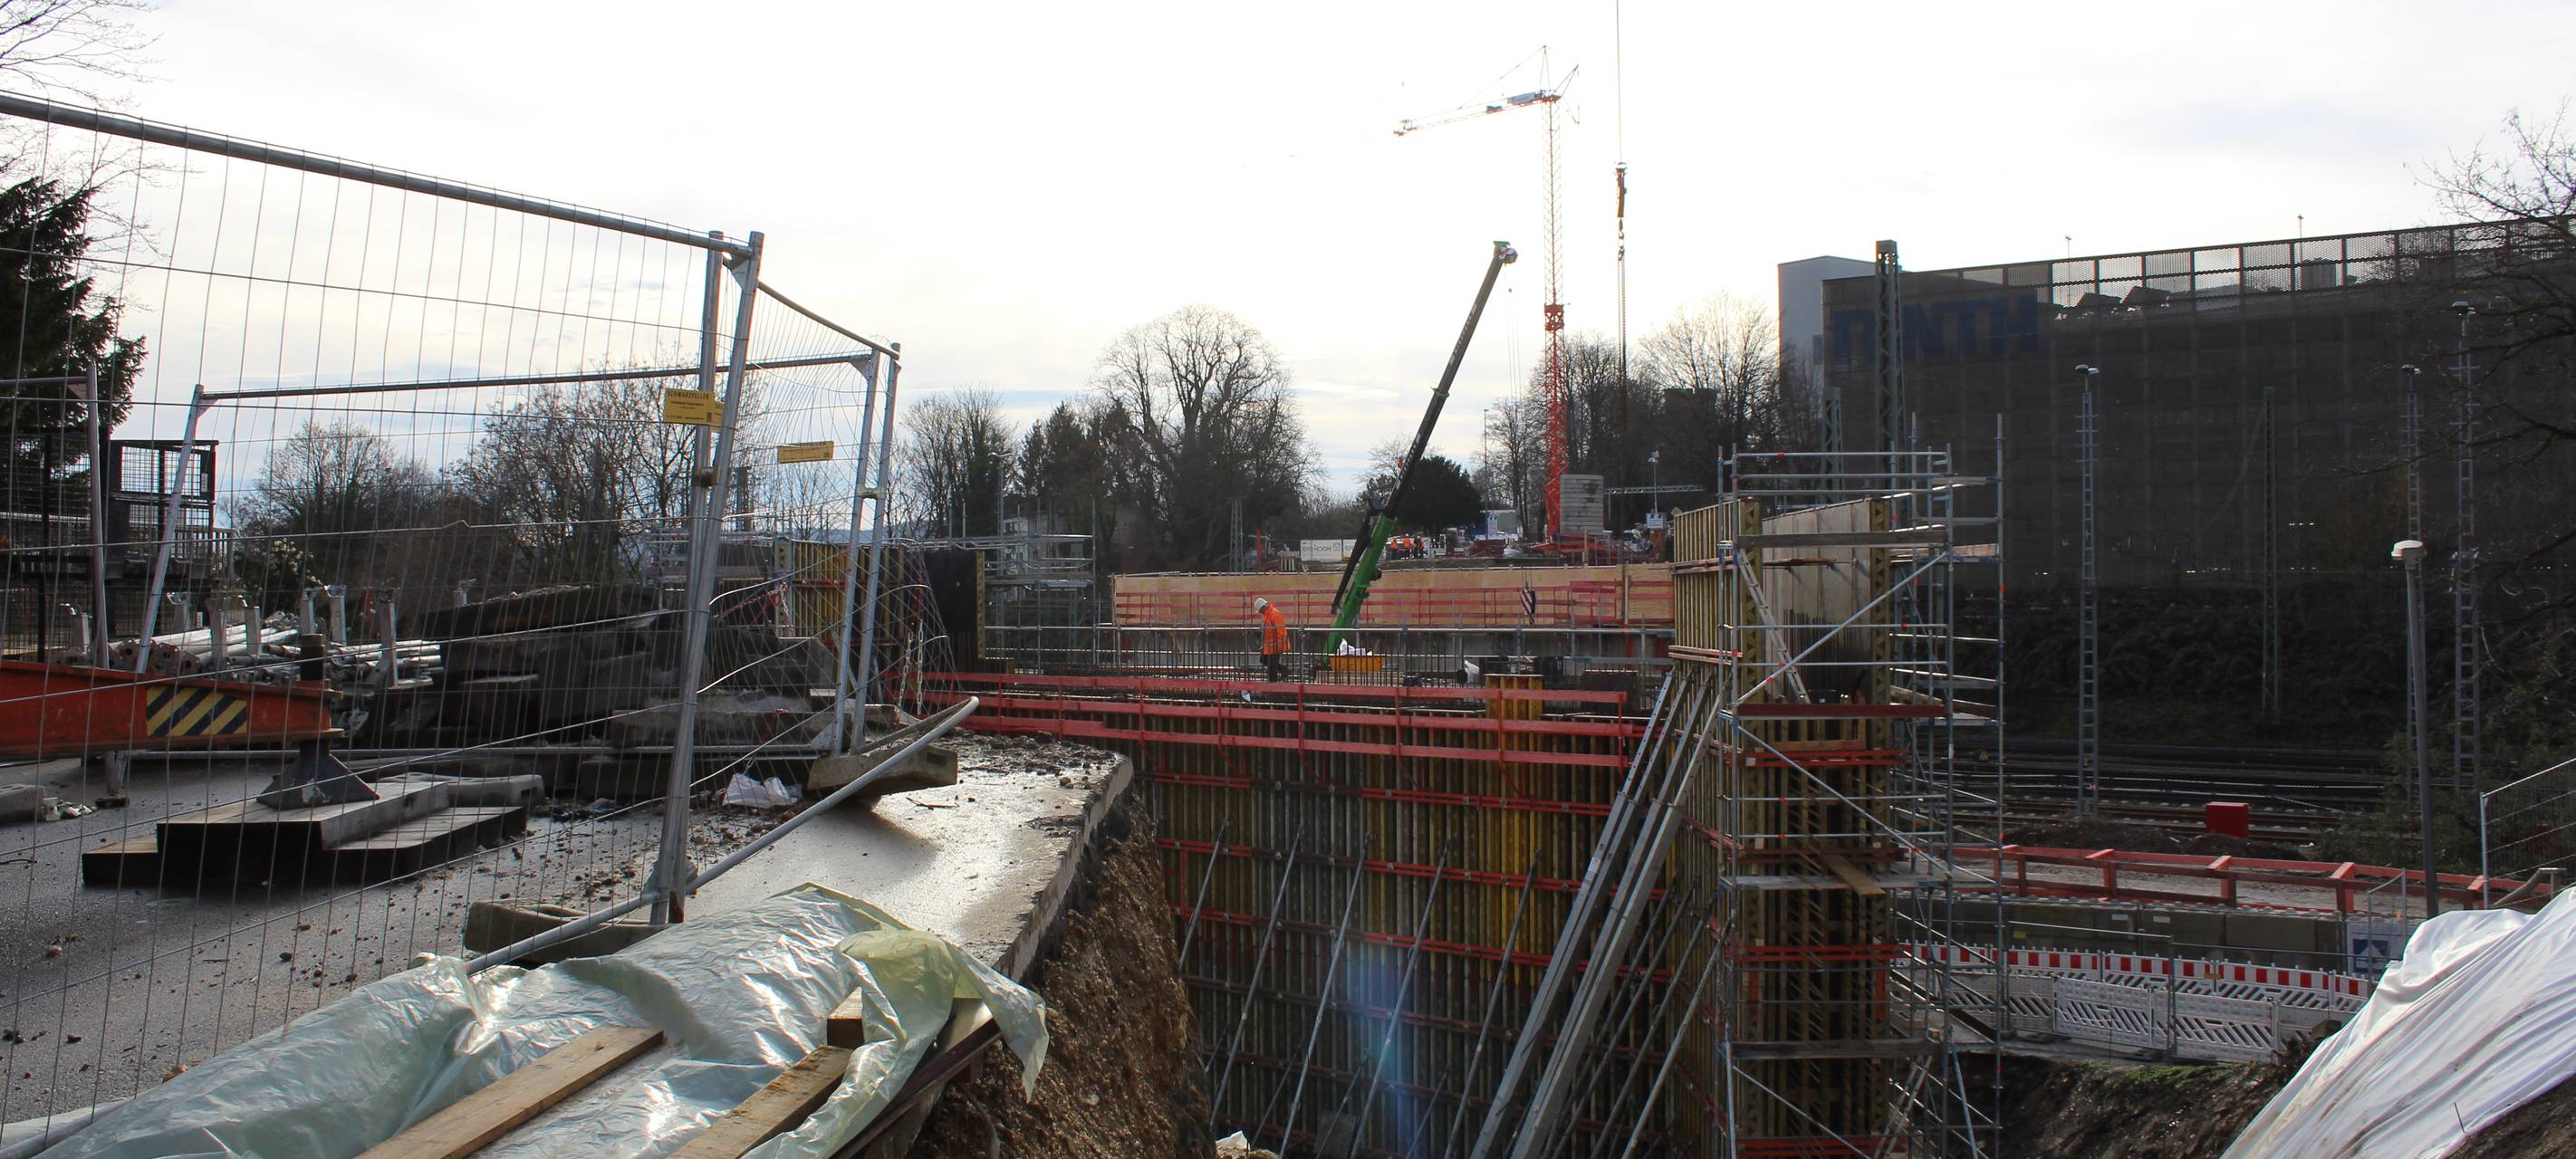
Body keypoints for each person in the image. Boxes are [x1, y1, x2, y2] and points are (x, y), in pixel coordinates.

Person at [1255, 596, 1290, 681]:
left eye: (1260, 610)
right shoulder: (1267, 615)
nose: (1260, 612)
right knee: (1263, 660)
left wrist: (1279, 648)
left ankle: (1273, 687)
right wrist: (1264, 646)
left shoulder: (1275, 614)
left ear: (1263, 607)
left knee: (1272, 670)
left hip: (1276, 647)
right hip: (1270, 647)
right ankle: (1283, 669)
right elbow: (1267, 633)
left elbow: (1281, 633)